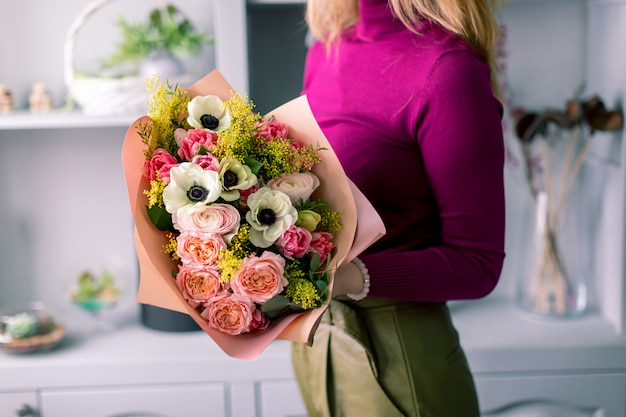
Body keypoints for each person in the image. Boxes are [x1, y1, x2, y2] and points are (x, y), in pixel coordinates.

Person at [291, 0, 506, 416]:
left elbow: (479, 264)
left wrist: (350, 277)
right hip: (316, 350)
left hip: (400, 363)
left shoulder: (446, 69)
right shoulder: (326, 49)